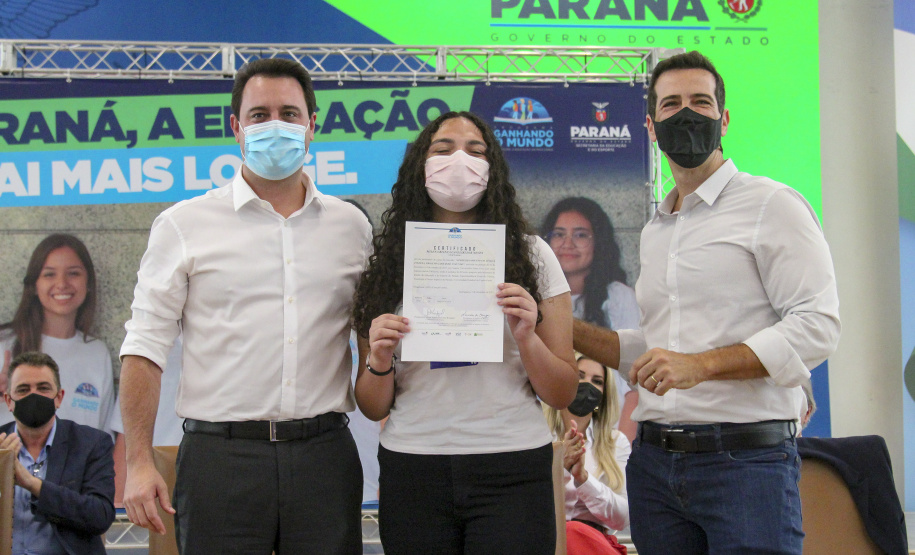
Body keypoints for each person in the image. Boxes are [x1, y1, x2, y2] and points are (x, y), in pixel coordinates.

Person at [573, 50, 840, 555]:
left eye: (700, 101)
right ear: (651, 127)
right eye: (671, 105)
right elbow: (659, 352)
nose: (687, 114)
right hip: (653, 468)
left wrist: (702, 365)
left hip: (745, 465)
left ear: (725, 117)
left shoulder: (772, 204)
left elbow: (818, 326)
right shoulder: (657, 229)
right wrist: (564, 326)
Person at [119, 57, 372, 554]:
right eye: (259, 115)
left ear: (311, 126)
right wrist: (139, 462)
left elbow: (375, 348)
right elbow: (143, 348)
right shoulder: (183, 224)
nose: (275, 125)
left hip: (325, 457)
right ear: (236, 128)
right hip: (220, 462)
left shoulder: (353, 228)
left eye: (289, 113)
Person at [352, 111, 578, 555]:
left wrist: (527, 337)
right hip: (413, 465)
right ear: (420, 165)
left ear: (493, 169)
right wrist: (378, 361)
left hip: (512, 463)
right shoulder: (387, 266)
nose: (460, 160)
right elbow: (371, 404)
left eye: (475, 151)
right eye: (443, 149)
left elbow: (563, 391)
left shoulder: (533, 256)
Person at [542, 197, 640, 441]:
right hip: (545, 439)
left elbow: (636, 386)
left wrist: (621, 450)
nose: (567, 244)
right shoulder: (532, 298)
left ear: (599, 243)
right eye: (558, 234)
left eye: (581, 235)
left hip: (609, 440)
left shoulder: (621, 298)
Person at [0, 351, 115, 555]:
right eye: (23, 389)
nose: (33, 396)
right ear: (9, 401)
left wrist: (32, 484)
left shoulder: (91, 443)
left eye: (43, 388)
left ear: (59, 397)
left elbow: (100, 515)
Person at [0, 233, 114, 434]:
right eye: (49, 274)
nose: (62, 284)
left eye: (73, 273)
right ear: (34, 285)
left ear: (88, 283)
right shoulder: (5, 345)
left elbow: (103, 437)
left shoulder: (97, 352)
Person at [544, 353, 630, 555]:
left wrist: (582, 478)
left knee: (574, 532)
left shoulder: (616, 442)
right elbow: (527, 506)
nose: (586, 385)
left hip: (594, 543)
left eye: (597, 381)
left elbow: (622, 518)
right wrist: (561, 469)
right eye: (579, 376)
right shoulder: (538, 436)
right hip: (544, 539)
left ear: (603, 395)